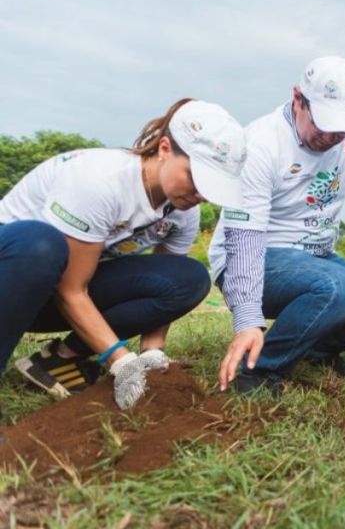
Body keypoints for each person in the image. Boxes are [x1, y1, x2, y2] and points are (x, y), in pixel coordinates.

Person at [0, 99, 247, 409]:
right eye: (196, 178)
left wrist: (152, 353)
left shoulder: (183, 211)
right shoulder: (99, 182)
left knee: (188, 279)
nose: (201, 195)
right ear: (165, 148)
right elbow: (70, 290)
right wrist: (120, 361)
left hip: (58, 292)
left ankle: (59, 359)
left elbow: (164, 278)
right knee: (40, 244)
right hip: (15, 279)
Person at [211, 56, 345, 396]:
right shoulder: (261, 144)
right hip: (254, 258)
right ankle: (260, 370)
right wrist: (248, 320)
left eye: (341, 129)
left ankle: (314, 349)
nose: (331, 137)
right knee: (338, 286)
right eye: (324, 124)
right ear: (298, 99)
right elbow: (243, 241)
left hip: (317, 259)